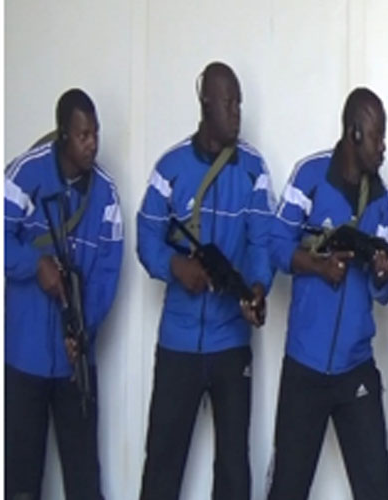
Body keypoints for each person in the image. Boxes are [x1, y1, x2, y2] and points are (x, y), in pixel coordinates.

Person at [137, 61, 274, 500]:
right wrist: (176, 267)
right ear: (206, 103)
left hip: (231, 341)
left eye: (239, 103)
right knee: (163, 464)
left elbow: (262, 241)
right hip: (178, 341)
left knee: (233, 468)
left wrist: (258, 287)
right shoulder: (170, 167)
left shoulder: (253, 169)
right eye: (228, 103)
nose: (236, 113)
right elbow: (146, 237)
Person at [266, 87, 388, 500]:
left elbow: (384, 291)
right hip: (304, 364)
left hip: (356, 364)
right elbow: (275, 244)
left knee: (378, 489)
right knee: (287, 487)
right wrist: (318, 266)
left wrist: (383, 273)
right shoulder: (309, 175)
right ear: (355, 133)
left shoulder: (381, 199)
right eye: (377, 136)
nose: (383, 147)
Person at [5, 88, 123, 500]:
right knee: (21, 480)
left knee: (84, 480)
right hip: (25, 357)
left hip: (76, 361)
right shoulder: (25, 173)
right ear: (63, 134)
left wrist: (84, 328)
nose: (92, 144)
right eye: (83, 135)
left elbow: (108, 272)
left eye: (96, 133)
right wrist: (33, 264)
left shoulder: (105, 194)